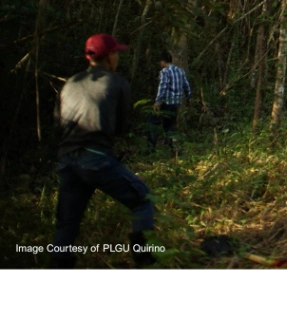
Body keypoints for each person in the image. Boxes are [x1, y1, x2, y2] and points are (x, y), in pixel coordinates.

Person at [50, 34, 155, 274]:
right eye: (117, 53)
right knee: (143, 200)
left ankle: (58, 267)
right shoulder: (117, 83)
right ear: (110, 57)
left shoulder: (69, 83)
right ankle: (144, 261)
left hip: (67, 160)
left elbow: (58, 123)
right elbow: (121, 127)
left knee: (67, 223)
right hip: (96, 157)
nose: (118, 57)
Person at [148, 51, 191, 152]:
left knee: (152, 122)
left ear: (163, 62)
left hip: (166, 102)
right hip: (176, 102)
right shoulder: (180, 71)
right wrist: (188, 97)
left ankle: (151, 148)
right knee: (170, 125)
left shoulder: (165, 72)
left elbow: (163, 87)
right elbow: (186, 85)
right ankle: (170, 147)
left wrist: (158, 101)